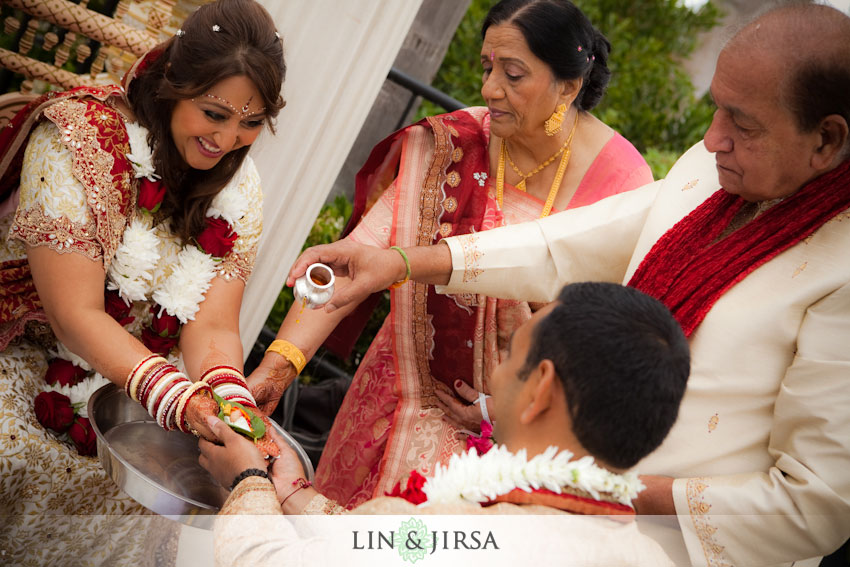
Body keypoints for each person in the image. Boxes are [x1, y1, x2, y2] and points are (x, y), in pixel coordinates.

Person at [288, 3, 850, 566]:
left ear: (826, 141)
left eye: (743, 125)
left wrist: (594, 492)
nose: (710, 140)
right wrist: (403, 263)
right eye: (717, 110)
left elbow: (816, 504)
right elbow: (569, 244)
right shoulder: (710, 173)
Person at [248, 0, 652, 510]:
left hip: (500, 436)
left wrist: (495, 409)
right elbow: (361, 258)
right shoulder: (455, 143)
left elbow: (591, 337)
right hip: (396, 390)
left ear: (568, 86)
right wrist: (280, 366)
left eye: (513, 73)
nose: (489, 89)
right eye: (487, 68)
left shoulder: (622, 185)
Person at [0, 1, 285, 564]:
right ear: (176, 85)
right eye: (215, 113)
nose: (228, 140)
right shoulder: (81, 141)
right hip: (22, 345)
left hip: (130, 374)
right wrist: (177, 400)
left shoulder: (240, 187)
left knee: (169, 509)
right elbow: (72, 315)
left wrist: (230, 404)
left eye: (251, 123)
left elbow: (211, 323)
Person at [200, 282, 689, 567]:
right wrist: (289, 492)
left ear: (540, 389)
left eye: (510, 352)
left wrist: (248, 483)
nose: (494, 377)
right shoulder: (645, 555)